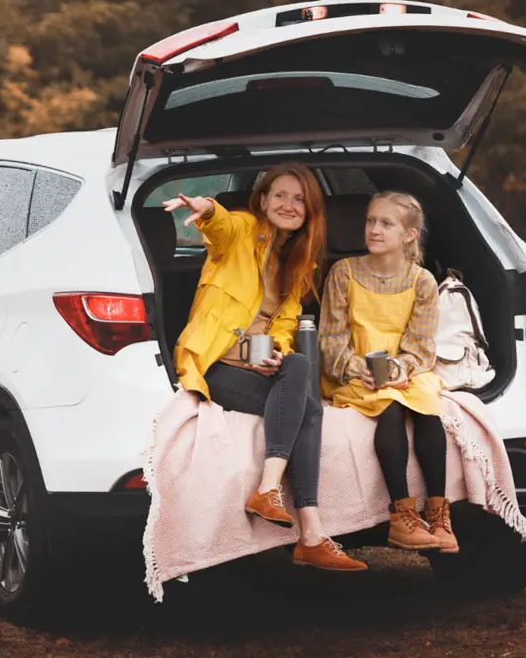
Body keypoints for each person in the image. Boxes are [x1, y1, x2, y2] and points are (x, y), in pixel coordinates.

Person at [162, 162, 367, 572]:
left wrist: (276, 351)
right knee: (307, 405)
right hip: (215, 363)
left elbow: (287, 324)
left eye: (299, 199)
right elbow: (220, 227)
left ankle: (300, 523)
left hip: (255, 365)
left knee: (297, 373)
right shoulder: (240, 231)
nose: (289, 205)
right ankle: (296, 517)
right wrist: (206, 209)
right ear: (263, 200)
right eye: (280, 195)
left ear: (309, 211)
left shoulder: (300, 262)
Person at [319, 191, 459, 553]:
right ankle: (401, 516)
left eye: (386, 223)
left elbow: (422, 345)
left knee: (428, 409)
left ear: (409, 235)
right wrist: (357, 369)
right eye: (370, 221)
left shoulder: (422, 281)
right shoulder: (343, 273)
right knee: (391, 408)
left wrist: (401, 368)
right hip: (355, 373)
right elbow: (331, 340)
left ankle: (439, 516)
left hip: (403, 370)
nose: (374, 230)